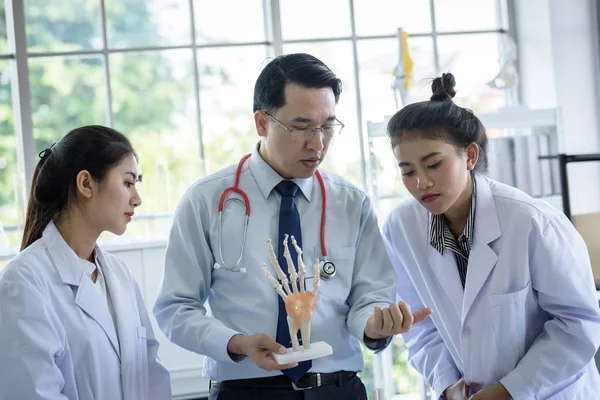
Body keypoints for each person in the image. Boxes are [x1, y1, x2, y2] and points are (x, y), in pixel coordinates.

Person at [153, 53, 431, 400]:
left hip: (337, 390)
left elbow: (370, 296)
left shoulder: (350, 202)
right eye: (301, 127)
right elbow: (175, 308)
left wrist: (374, 326)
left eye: (327, 125)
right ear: (261, 122)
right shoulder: (207, 201)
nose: (317, 143)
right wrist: (236, 343)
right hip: (247, 390)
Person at [382, 73, 600, 399]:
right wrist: (446, 384)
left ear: (469, 156)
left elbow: (578, 324)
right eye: (408, 171)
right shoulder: (401, 226)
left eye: (433, 164)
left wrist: (511, 390)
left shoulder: (532, 222)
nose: (421, 183)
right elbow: (421, 324)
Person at [0, 126, 172, 400]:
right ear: (86, 184)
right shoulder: (23, 282)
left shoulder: (120, 275)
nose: (137, 199)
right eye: (128, 182)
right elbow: (33, 392)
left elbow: (151, 375)